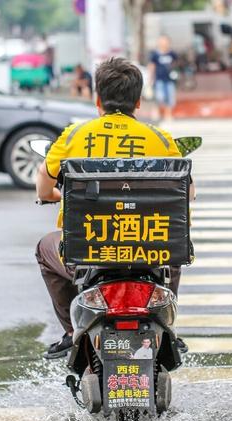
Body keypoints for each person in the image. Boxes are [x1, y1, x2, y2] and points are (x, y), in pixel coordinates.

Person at [35, 57, 193, 359]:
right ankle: (167, 324)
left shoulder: (74, 136)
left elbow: (44, 179)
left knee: (45, 247)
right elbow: (185, 190)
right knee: (174, 244)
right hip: (149, 251)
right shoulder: (160, 139)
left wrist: (52, 195)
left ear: (97, 100)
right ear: (137, 102)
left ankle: (71, 331)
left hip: (88, 252)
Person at [148, 35, 179, 123]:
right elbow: (152, 65)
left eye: (165, 41)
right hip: (159, 79)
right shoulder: (155, 54)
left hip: (170, 79)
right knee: (159, 97)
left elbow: (176, 63)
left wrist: (175, 71)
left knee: (170, 97)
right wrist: (151, 77)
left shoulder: (172, 54)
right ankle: (156, 112)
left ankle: (168, 114)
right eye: (161, 41)